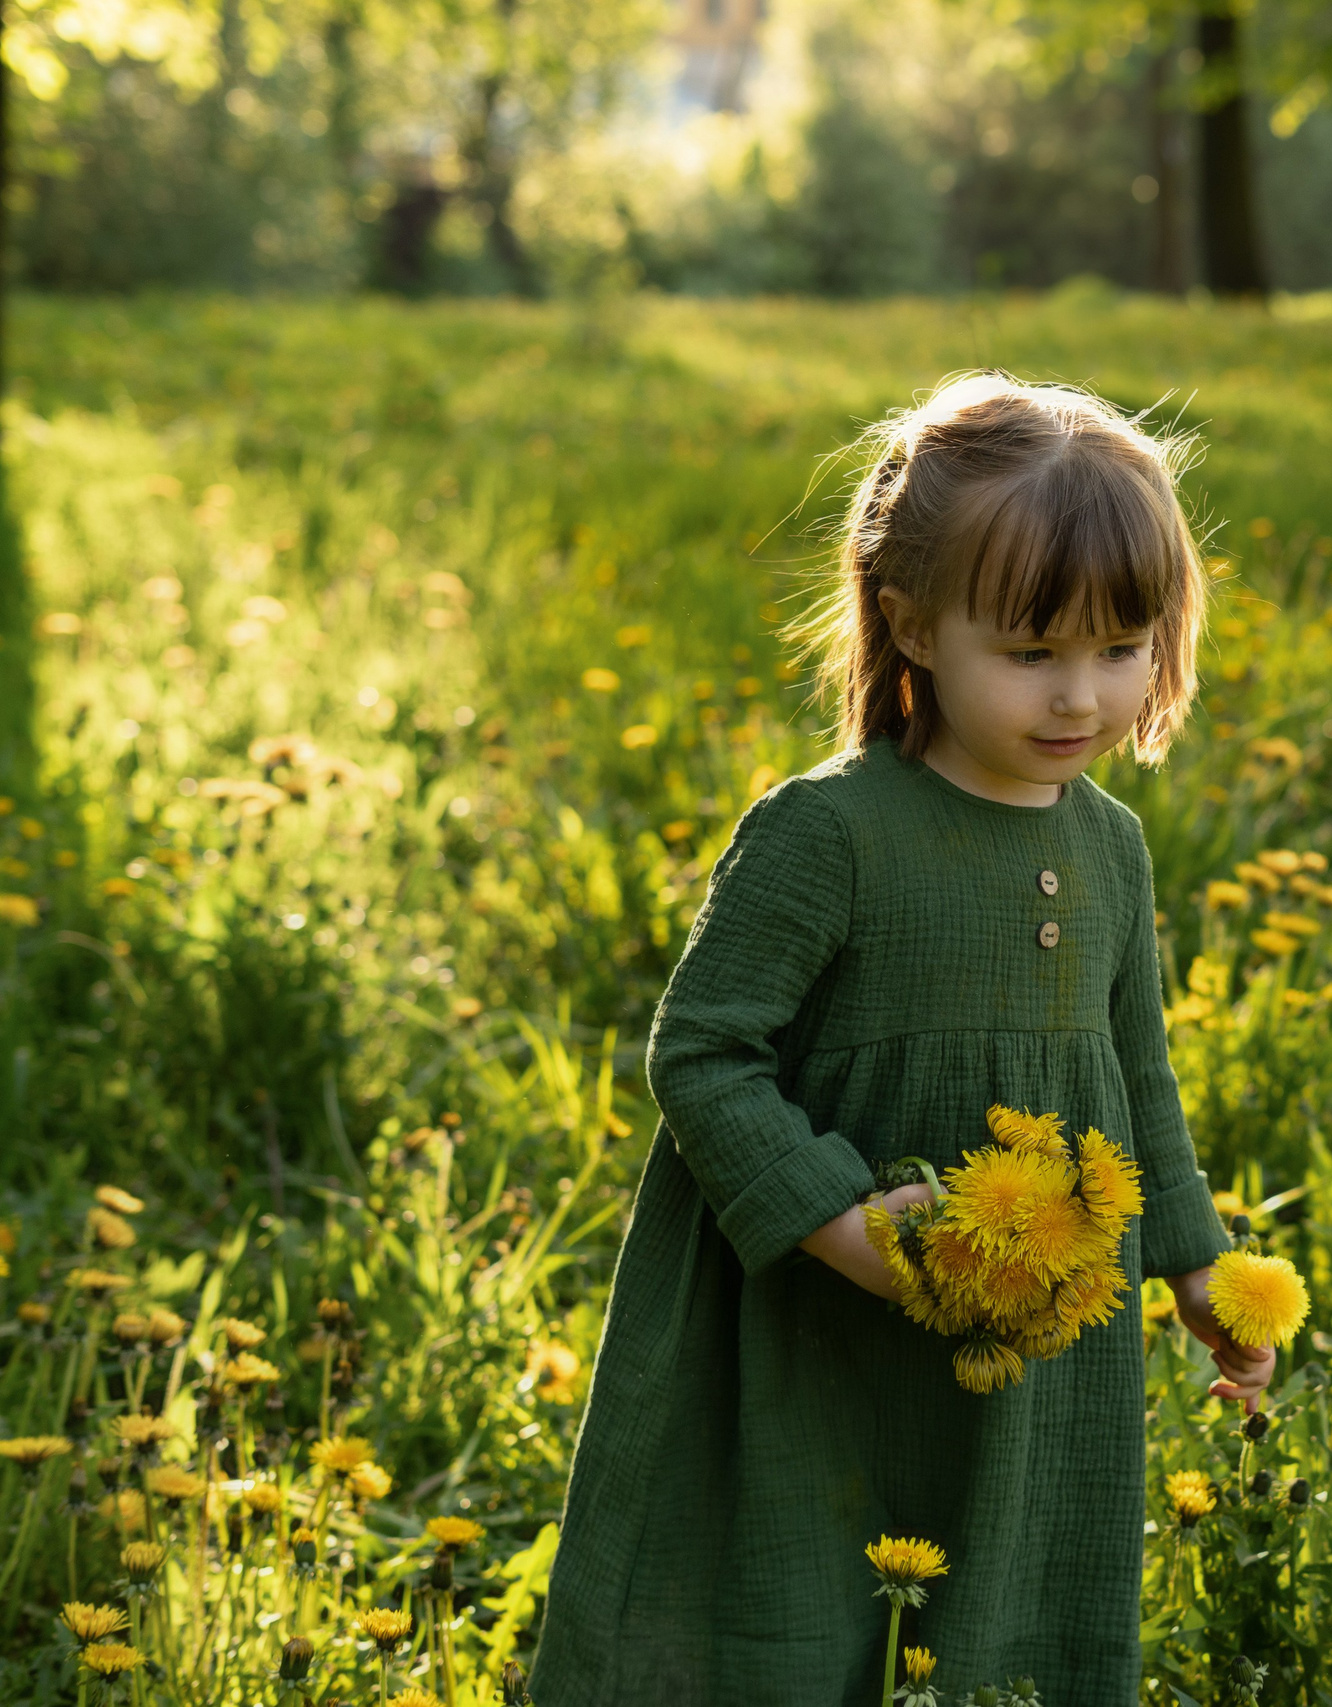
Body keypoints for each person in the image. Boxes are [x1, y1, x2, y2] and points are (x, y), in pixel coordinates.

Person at [531, 373, 1275, 1707]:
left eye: (1123, 648)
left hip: (1039, 1337)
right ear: (912, 620)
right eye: (1034, 652)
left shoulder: (1110, 845)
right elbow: (701, 1053)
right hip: (818, 1332)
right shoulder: (828, 834)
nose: (1082, 698)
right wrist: (844, 1226)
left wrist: (1196, 1265)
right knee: (811, 1606)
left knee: (1004, 1605)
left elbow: (1136, 1074)